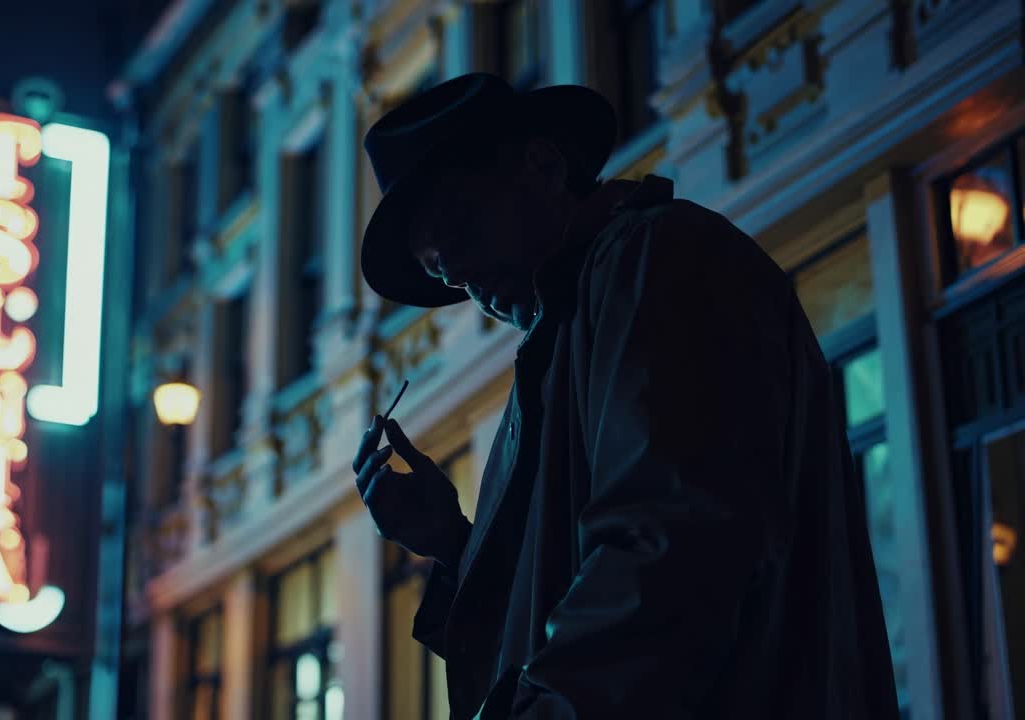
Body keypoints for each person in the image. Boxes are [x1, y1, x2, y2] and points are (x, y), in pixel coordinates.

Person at [351, 73, 900, 719]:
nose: (464, 278)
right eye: (443, 273)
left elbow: (670, 558)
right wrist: (451, 542)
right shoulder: (568, 333)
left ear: (544, 165)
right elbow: (553, 620)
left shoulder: (656, 262)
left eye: (463, 233)